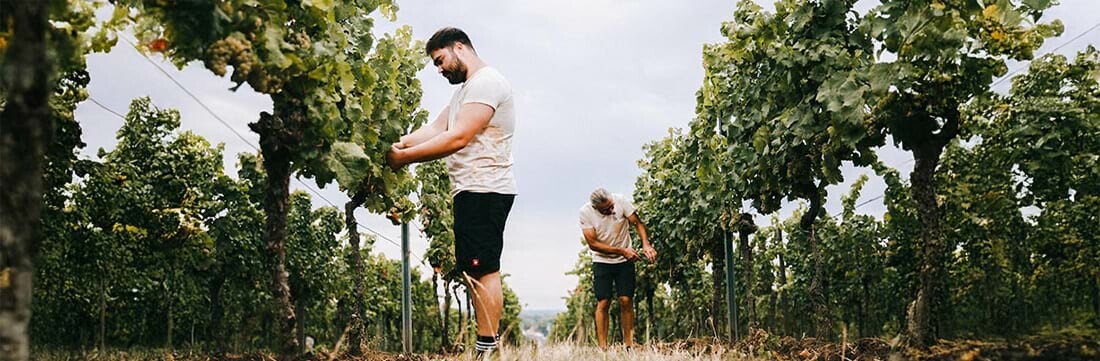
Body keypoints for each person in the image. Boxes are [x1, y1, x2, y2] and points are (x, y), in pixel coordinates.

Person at [386, 27, 517, 358]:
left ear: (460, 47)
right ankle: (485, 347)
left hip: (485, 187)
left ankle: (486, 349)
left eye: (440, 60)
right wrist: (397, 143)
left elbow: (458, 137)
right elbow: (435, 129)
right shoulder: (464, 93)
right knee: (474, 268)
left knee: (483, 267)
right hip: (471, 189)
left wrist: (404, 158)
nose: (440, 69)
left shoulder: (487, 82)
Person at [578, 188, 656, 350]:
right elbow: (593, 244)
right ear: (596, 208)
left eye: (611, 206)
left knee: (626, 300)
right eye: (606, 209)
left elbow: (637, 223)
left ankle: (629, 344)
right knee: (604, 301)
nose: (612, 210)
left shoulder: (620, 201)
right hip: (602, 261)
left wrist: (646, 244)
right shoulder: (586, 213)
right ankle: (603, 347)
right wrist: (621, 251)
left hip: (624, 261)